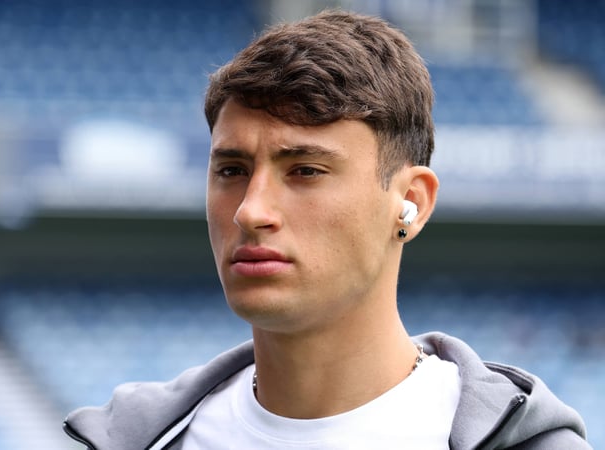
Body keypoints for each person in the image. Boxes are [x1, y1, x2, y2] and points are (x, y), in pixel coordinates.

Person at [63, 9, 590, 449]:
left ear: (410, 203)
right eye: (232, 170)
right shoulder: (132, 439)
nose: (250, 211)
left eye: (306, 171)